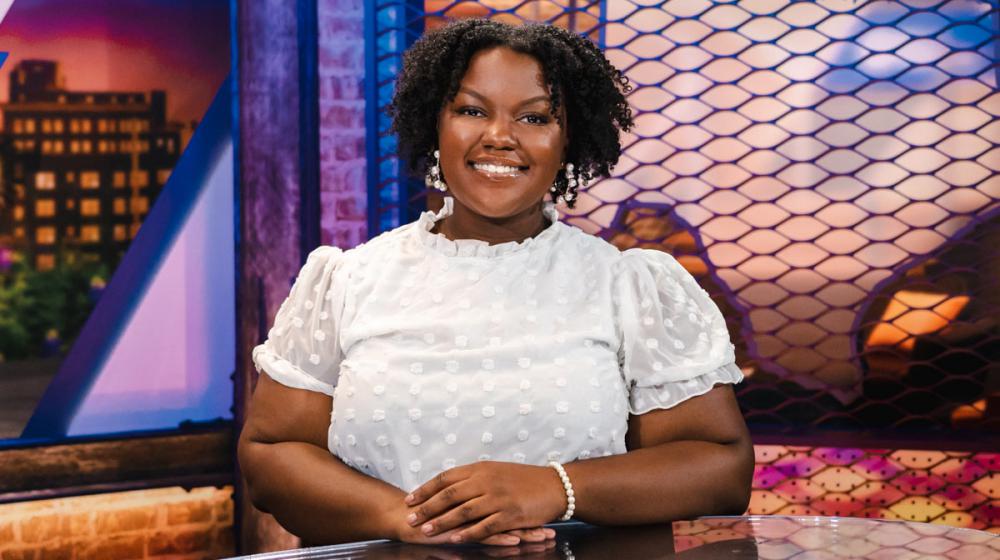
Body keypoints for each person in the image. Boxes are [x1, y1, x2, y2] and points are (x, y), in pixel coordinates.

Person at [238, 18, 753, 548]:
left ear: (568, 139)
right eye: (471, 110)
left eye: (534, 117)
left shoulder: (627, 285)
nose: (500, 136)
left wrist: (556, 488)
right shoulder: (348, 280)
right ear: (435, 125)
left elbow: (720, 469)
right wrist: (411, 518)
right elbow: (272, 454)